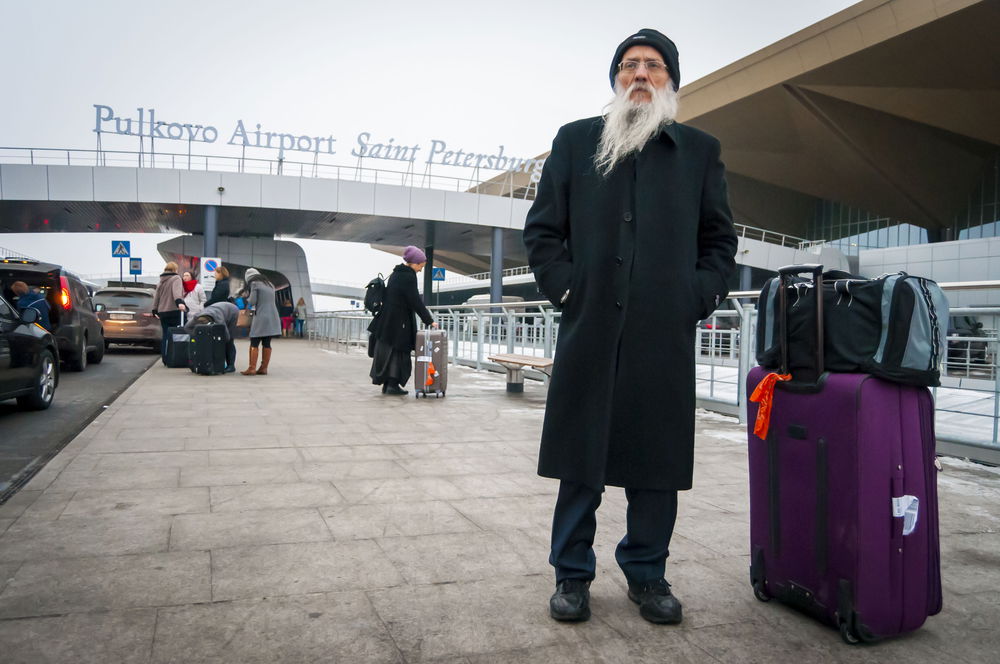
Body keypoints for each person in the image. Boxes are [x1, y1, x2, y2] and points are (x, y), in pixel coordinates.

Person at [522, 29, 738, 626]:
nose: (640, 74)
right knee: (580, 457)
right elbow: (542, 232)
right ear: (615, 78)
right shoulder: (576, 142)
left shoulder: (698, 150)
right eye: (629, 65)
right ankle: (572, 574)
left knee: (656, 461)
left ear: (671, 79)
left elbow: (719, 241)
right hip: (590, 326)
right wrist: (567, 287)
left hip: (661, 333)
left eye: (654, 65)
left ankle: (647, 575)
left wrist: (694, 295)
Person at [367, 246, 438, 395]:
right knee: (399, 353)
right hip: (399, 323)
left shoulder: (396, 274)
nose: (420, 270)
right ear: (414, 263)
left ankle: (388, 385)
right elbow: (415, 301)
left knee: (389, 352)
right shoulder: (408, 276)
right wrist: (429, 320)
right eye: (420, 266)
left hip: (387, 321)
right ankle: (392, 385)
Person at [240, 268, 281, 375]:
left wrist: (246, 298)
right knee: (267, 342)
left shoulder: (254, 284)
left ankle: (252, 368)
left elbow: (253, 301)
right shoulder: (270, 284)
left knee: (254, 340)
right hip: (273, 316)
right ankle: (264, 368)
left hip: (261, 315)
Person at [184, 301, 240, 373]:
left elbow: (227, 337)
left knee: (229, 341)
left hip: (232, 311)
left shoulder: (219, 319)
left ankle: (231, 366)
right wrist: (197, 336)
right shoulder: (196, 317)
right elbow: (186, 328)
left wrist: (217, 343)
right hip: (217, 308)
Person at [152, 262, 187, 362]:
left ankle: (165, 358)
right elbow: (176, 293)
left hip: (163, 312)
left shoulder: (161, 281)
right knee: (179, 335)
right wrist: (179, 302)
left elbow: (156, 297)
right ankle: (177, 357)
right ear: (175, 269)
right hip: (174, 311)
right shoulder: (176, 278)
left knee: (166, 335)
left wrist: (154, 309)